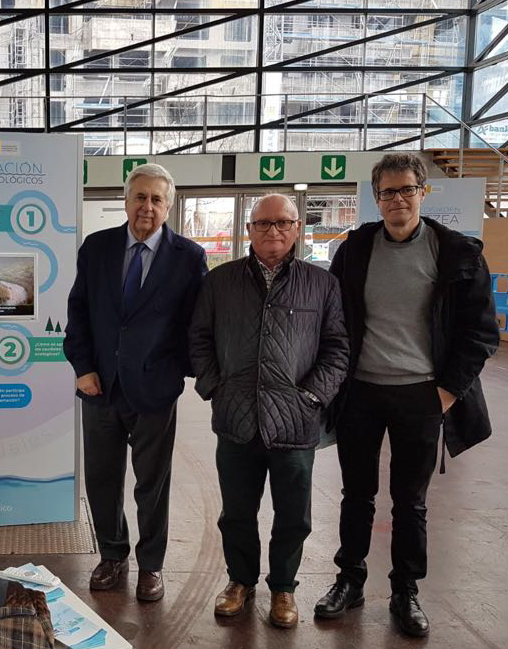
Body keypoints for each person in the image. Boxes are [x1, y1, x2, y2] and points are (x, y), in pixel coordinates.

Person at [314, 152, 500, 637]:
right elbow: (333, 318)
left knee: (410, 502)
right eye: (388, 192)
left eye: (406, 190)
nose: (397, 199)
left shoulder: (455, 252)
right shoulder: (355, 249)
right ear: (376, 198)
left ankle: (405, 591)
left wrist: (446, 393)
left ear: (423, 192)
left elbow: (479, 332)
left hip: (422, 395)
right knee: (356, 494)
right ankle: (349, 580)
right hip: (361, 393)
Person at [189, 194, 349, 628]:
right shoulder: (220, 281)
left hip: (296, 423)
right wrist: (215, 389)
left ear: (297, 228)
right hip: (236, 419)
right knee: (236, 512)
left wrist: (312, 396)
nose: (272, 231)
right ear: (249, 230)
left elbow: (337, 348)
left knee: (293, 515)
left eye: (282, 222)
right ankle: (239, 581)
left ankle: (283, 588)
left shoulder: (322, 284)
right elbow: (199, 339)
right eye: (262, 223)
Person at [64, 163, 206, 602]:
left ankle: (151, 565)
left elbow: (195, 323)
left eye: (156, 199)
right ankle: (112, 555)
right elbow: (78, 311)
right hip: (99, 387)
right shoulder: (97, 248)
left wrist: (178, 371)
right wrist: (83, 367)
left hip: (155, 391)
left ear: (169, 206)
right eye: (140, 197)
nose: (147, 206)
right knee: (102, 478)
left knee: (152, 484)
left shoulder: (188, 257)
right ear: (126, 201)